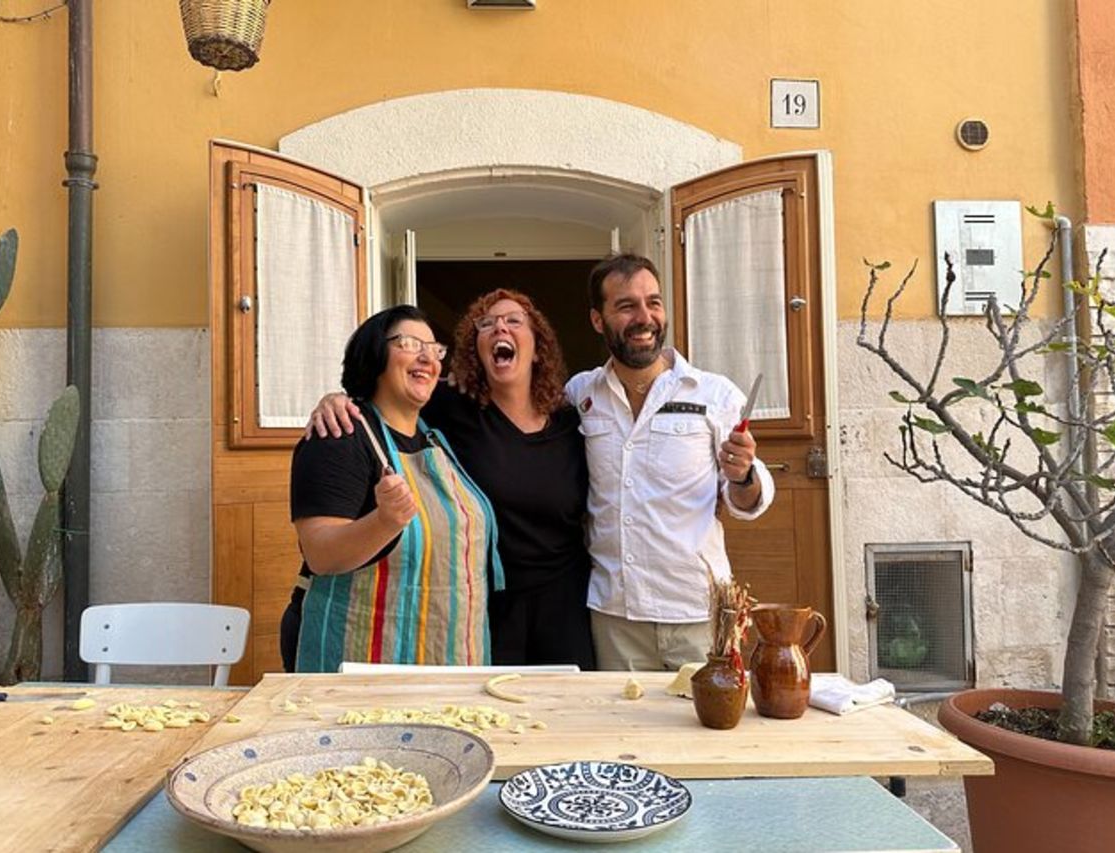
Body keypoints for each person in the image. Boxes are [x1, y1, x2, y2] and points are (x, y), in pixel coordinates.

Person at [308, 290, 596, 670]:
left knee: (566, 713)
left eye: (513, 321)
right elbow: (386, 396)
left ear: (538, 347)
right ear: (475, 350)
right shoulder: (449, 406)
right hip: (487, 600)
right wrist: (336, 400)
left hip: (564, 599)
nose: (499, 328)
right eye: (486, 324)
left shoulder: (572, 421)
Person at [567, 252, 775, 671]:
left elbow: (748, 501)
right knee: (624, 734)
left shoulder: (713, 394)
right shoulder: (581, 394)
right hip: (615, 614)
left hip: (698, 612)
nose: (645, 317)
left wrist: (743, 474)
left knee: (706, 733)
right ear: (597, 319)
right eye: (626, 306)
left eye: (654, 303)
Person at [279, 305, 503, 673]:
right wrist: (385, 521)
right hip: (358, 659)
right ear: (374, 353)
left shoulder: (436, 439)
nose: (427, 358)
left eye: (434, 349)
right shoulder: (339, 435)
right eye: (410, 343)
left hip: (444, 655)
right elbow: (320, 553)